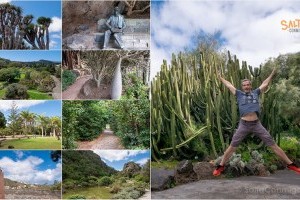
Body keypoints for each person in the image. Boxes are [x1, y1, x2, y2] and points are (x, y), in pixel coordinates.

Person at [213, 68, 300, 176]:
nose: (246, 86)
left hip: (256, 124)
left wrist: (272, 74)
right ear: (242, 87)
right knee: (232, 146)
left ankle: (290, 164)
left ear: (250, 85)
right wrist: (220, 78)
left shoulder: (256, 92)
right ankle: (220, 166)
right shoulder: (239, 94)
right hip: (244, 125)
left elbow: (265, 83)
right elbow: (229, 85)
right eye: (244, 85)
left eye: (248, 84)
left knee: (273, 144)